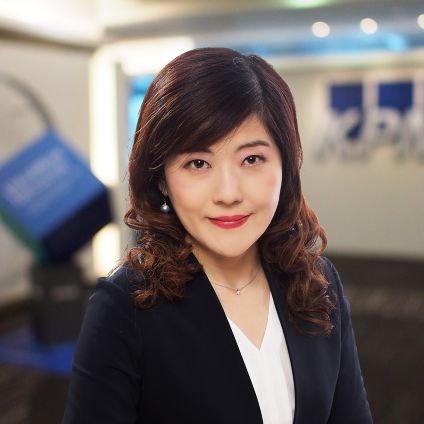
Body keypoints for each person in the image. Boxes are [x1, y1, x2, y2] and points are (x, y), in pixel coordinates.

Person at [63, 47, 373, 424]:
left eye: (252, 159)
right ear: (161, 179)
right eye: (198, 163)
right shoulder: (125, 308)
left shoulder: (316, 282)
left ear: (286, 165)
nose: (228, 193)